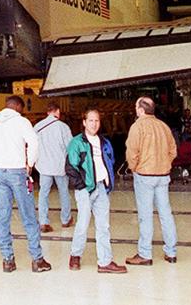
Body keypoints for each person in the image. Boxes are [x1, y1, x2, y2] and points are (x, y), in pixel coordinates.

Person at [0, 96, 50, 273]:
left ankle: (8, 261)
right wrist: (30, 163)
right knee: (29, 217)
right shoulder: (21, 121)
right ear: (18, 107)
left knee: (2, 217)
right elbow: (34, 142)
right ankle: (37, 260)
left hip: (0, 173)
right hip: (18, 172)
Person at [65, 109, 125, 274]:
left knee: (103, 226)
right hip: (86, 189)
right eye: (90, 121)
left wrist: (107, 179)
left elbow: (110, 161)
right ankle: (75, 255)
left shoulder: (104, 142)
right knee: (83, 224)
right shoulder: (77, 143)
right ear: (84, 122)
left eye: (97, 121)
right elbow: (70, 167)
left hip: (101, 188)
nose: (94, 124)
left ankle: (105, 262)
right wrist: (81, 186)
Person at [125, 96, 178, 265]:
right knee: (166, 214)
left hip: (145, 176)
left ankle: (145, 254)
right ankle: (171, 253)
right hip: (163, 176)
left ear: (141, 110)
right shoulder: (164, 126)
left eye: (135, 106)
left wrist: (134, 168)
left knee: (145, 215)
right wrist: (165, 164)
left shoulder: (137, 126)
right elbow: (173, 151)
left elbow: (132, 152)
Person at [34, 102, 73, 233]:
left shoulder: (38, 127)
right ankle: (65, 219)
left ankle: (44, 222)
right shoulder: (63, 127)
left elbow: (33, 146)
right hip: (60, 166)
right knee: (63, 192)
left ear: (47, 112)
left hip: (44, 166)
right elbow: (70, 147)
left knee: (43, 193)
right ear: (57, 111)